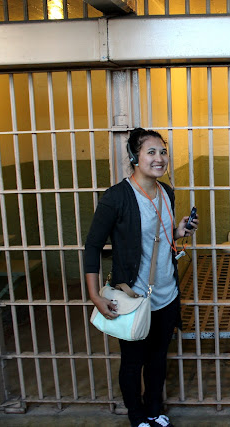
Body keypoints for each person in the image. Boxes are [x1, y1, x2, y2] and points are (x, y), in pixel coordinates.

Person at [84, 128, 198, 427]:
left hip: (167, 292)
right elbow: (93, 246)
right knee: (134, 361)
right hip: (133, 295)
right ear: (135, 157)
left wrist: (178, 231)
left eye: (163, 152)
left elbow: (156, 237)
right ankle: (137, 416)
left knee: (158, 358)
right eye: (151, 152)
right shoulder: (116, 197)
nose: (159, 158)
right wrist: (95, 295)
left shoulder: (166, 192)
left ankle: (155, 409)